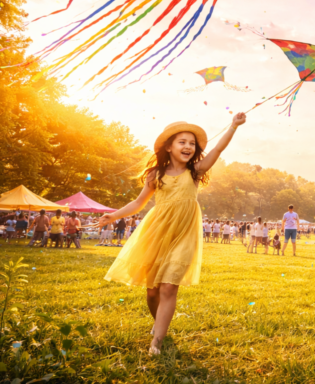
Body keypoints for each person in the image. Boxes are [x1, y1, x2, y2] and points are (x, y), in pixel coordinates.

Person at [97, 115, 246, 355]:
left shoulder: (195, 171)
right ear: (168, 146)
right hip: (157, 231)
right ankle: (158, 324)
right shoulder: (156, 175)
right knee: (152, 291)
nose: (188, 147)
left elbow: (218, 148)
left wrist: (233, 126)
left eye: (192, 144)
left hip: (184, 232)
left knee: (168, 287)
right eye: (182, 142)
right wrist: (113, 216)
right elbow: (138, 203)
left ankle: (157, 341)